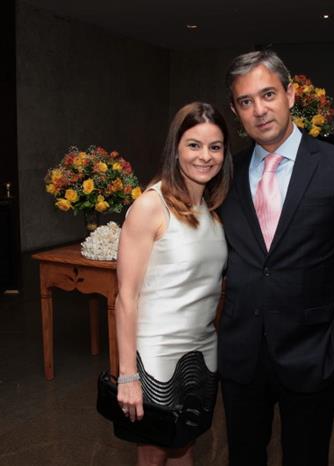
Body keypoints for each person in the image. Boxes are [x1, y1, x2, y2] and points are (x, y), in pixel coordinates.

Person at [218, 50, 334, 465]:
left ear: (290, 95)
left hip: (312, 352)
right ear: (236, 111)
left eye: (268, 94)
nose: (259, 110)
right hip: (241, 354)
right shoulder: (226, 173)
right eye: (246, 101)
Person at [114, 101, 233, 466]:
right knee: (153, 452)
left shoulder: (212, 210)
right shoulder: (151, 206)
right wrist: (127, 375)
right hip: (156, 356)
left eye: (215, 147)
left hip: (203, 352)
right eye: (194, 145)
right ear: (175, 149)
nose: (205, 156)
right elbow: (126, 296)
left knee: (185, 443)